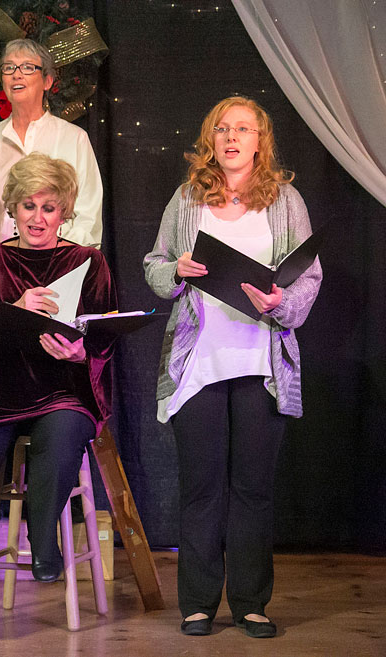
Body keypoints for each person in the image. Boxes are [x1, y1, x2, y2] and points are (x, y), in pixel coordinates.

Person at [143, 97, 322, 639]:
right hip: (200, 362)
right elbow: (154, 265)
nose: (231, 137)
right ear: (210, 139)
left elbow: (308, 277)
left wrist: (280, 304)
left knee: (252, 488)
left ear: (260, 140)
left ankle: (249, 603)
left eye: (243, 128)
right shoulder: (188, 197)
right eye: (221, 128)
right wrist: (175, 269)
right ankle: (197, 603)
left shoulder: (285, 199)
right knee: (201, 486)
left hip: (260, 360)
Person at [0, 153, 117, 651]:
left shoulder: (87, 262)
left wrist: (80, 351)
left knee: (62, 437)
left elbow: (105, 335)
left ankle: (43, 532)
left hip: (59, 391)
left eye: (49, 207)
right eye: (28, 205)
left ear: (64, 211)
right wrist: (11, 309)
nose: (37, 217)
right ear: (11, 210)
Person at [0, 38, 102, 248]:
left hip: (58, 268)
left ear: (48, 81)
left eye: (28, 67)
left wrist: (59, 256)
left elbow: (88, 215)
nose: (16, 74)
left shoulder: (75, 139)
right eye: (9, 67)